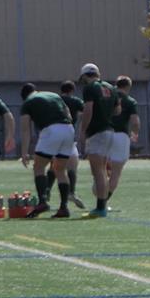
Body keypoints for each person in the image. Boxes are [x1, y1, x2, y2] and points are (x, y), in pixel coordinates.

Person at [17, 83, 76, 218]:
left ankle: (42, 202)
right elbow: (68, 114)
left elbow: (25, 130)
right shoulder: (54, 95)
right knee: (60, 170)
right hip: (68, 129)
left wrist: (24, 152)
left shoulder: (28, 102)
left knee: (38, 167)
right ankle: (63, 207)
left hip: (51, 130)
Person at [75, 63, 121, 217]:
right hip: (109, 130)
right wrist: (105, 112)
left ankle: (101, 207)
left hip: (97, 132)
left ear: (84, 76)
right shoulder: (111, 88)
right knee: (102, 170)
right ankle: (102, 205)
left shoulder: (90, 88)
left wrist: (83, 130)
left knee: (98, 172)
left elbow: (88, 109)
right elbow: (117, 110)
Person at [104, 76, 140, 199]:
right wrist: (135, 133)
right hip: (121, 136)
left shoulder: (107, 98)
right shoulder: (129, 101)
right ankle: (103, 202)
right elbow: (135, 122)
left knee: (101, 169)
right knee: (116, 173)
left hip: (104, 134)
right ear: (128, 86)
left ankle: (100, 194)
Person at [58, 80, 88, 208]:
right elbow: (86, 111)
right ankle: (71, 192)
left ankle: (45, 194)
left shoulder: (56, 100)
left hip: (52, 133)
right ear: (72, 90)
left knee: (54, 166)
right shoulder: (75, 101)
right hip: (68, 133)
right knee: (72, 164)